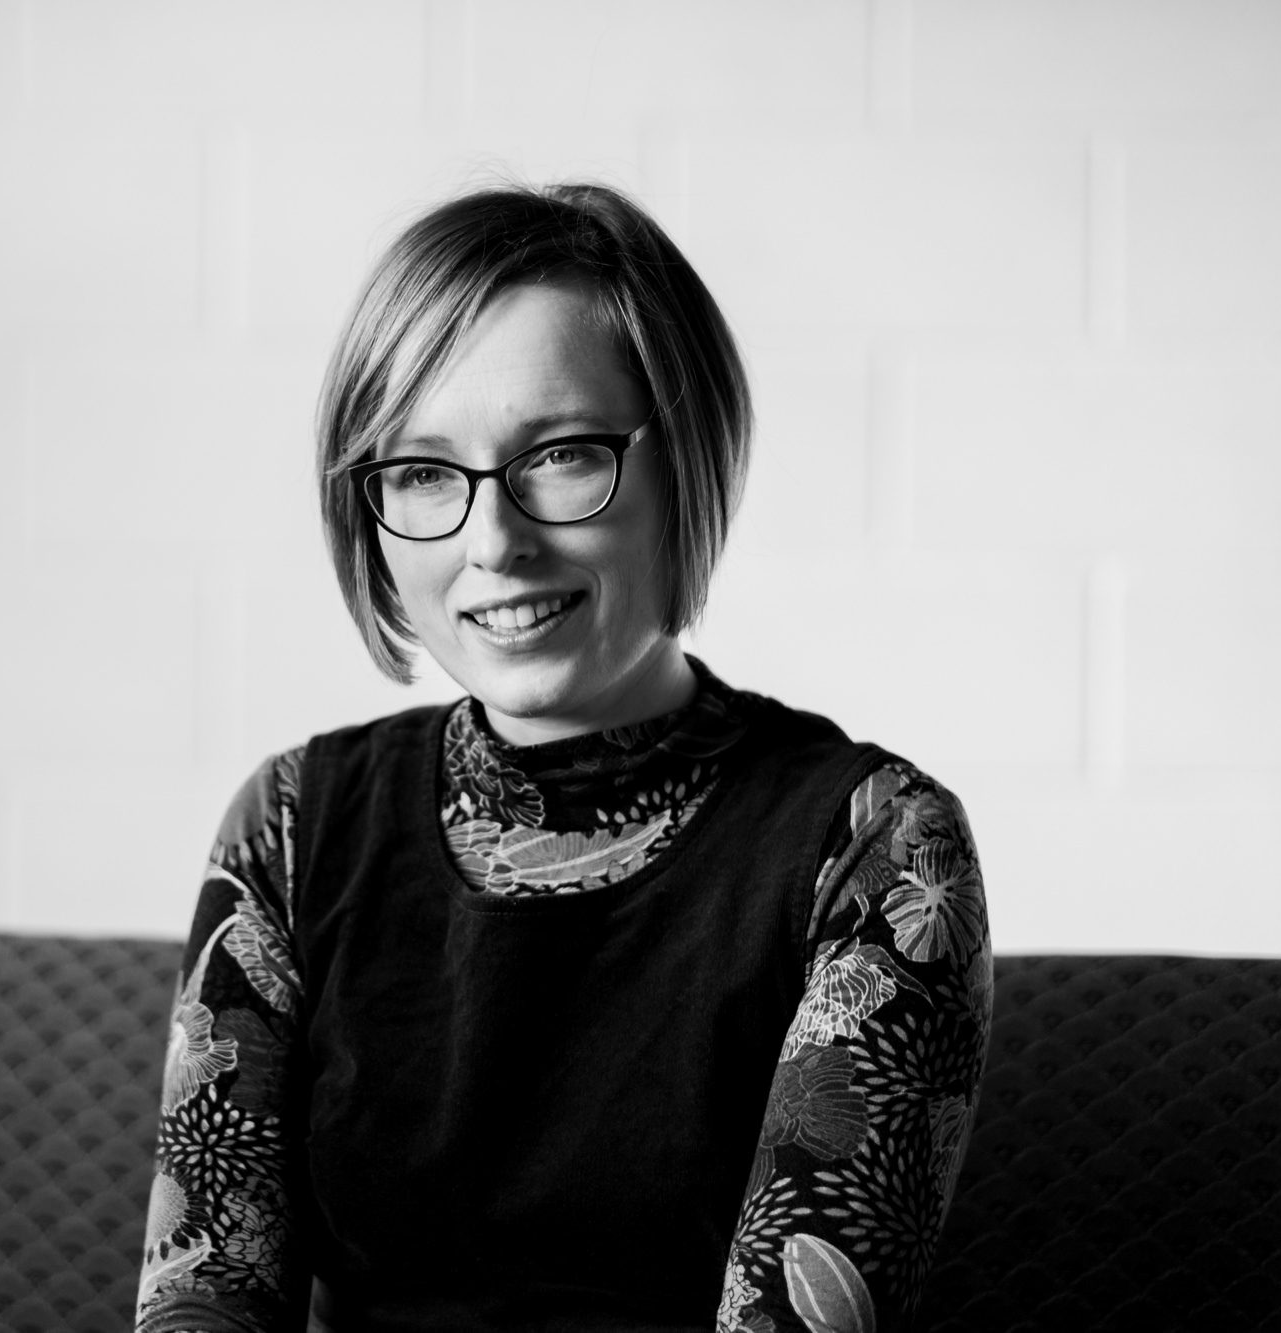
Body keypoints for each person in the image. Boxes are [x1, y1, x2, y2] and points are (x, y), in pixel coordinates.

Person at [135, 181, 991, 1333]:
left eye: (561, 456)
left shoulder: (875, 846)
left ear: (683, 461)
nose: (493, 541)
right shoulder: (288, 826)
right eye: (425, 472)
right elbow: (203, 1299)